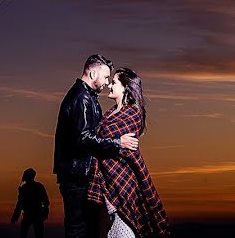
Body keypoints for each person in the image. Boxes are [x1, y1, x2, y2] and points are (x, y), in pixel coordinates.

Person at [54, 54, 140, 238]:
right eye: (106, 77)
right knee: (78, 229)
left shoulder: (89, 97)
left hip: (82, 174)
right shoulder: (81, 98)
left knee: (89, 229)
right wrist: (118, 143)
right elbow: (84, 139)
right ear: (93, 74)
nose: (107, 82)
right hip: (76, 175)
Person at [87, 68, 170, 238]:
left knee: (126, 228)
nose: (110, 85)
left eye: (115, 82)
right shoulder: (109, 114)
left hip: (123, 179)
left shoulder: (133, 114)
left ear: (125, 87)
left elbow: (102, 138)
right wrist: (111, 142)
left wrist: (104, 142)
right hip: (104, 182)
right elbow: (99, 140)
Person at [11, 168, 49, 238]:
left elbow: (19, 203)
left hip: (33, 215)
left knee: (28, 234)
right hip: (34, 215)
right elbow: (46, 202)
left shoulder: (25, 188)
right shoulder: (38, 186)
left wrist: (15, 216)